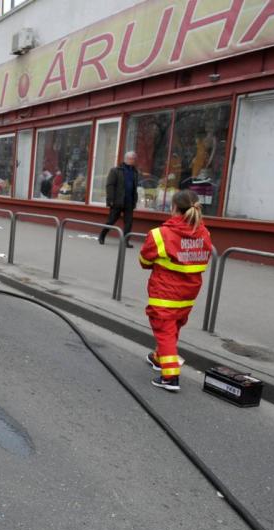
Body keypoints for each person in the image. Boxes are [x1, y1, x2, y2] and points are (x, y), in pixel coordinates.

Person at [139, 190, 212, 392]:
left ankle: (170, 377)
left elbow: (144, 261)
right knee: (172, 327)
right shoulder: (204, 233)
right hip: (188, 293)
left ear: (173, 208)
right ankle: (158, 357)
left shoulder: (160, 234)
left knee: (164, 329)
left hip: (165, 292)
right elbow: (203, 259)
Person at [99, 151, 139, 247]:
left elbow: (134, 187)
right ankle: (102, 235)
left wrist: (135, 200)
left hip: (129, 201)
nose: (133, 160)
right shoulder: (116, 170)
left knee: (128, 222)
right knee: (111, 220)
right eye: (132, 159)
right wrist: (110, 200)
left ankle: (125, 242)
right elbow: (110, 185)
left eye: (134, 159)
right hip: (117, 201)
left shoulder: (135, 172)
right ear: (127, 159)